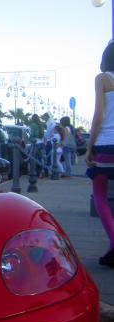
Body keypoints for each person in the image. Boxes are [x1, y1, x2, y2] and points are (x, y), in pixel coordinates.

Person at [86, 40, 114, 267]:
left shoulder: (103, 78)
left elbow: (99, 117)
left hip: (105, 147)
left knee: (100, 196)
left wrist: (89, 148)